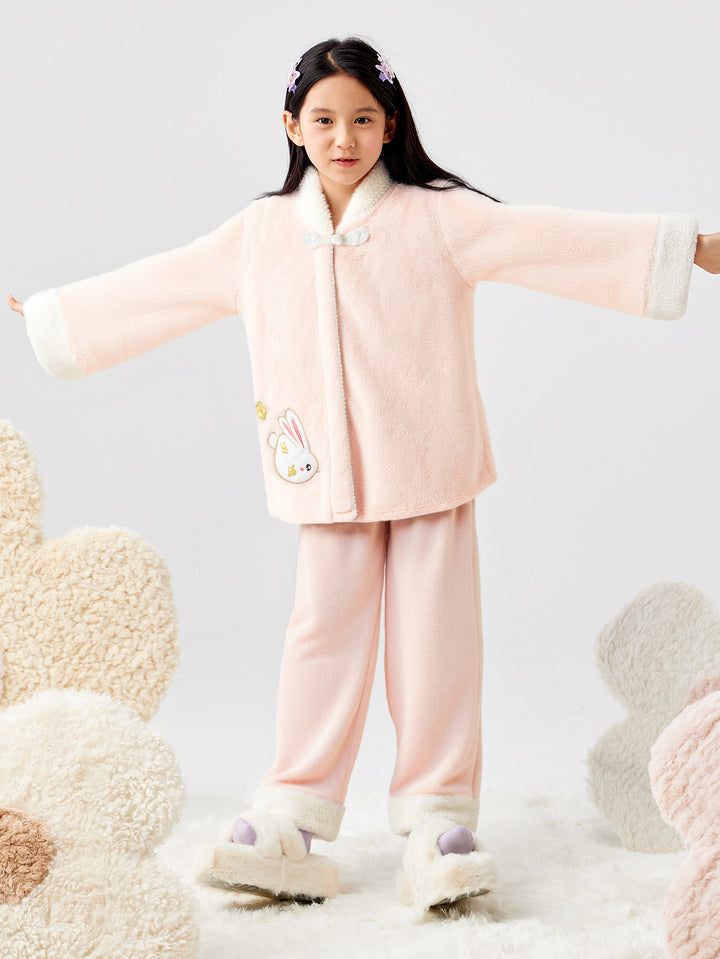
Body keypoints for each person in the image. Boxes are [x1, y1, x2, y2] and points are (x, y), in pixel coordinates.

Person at [8, 35, 720, 911]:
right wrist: (58, 317)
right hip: (323, 477)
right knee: (321, 636)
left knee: (436, 639)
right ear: (292, 126)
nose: (343, 138)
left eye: (362, 119)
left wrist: (681, 247)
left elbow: (544, 238)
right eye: (324, 120)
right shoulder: (261, 234)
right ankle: (292, 812)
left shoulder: (436, 216)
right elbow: (167, 283)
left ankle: (437, 817)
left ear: (390, 125)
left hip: (431, 467)